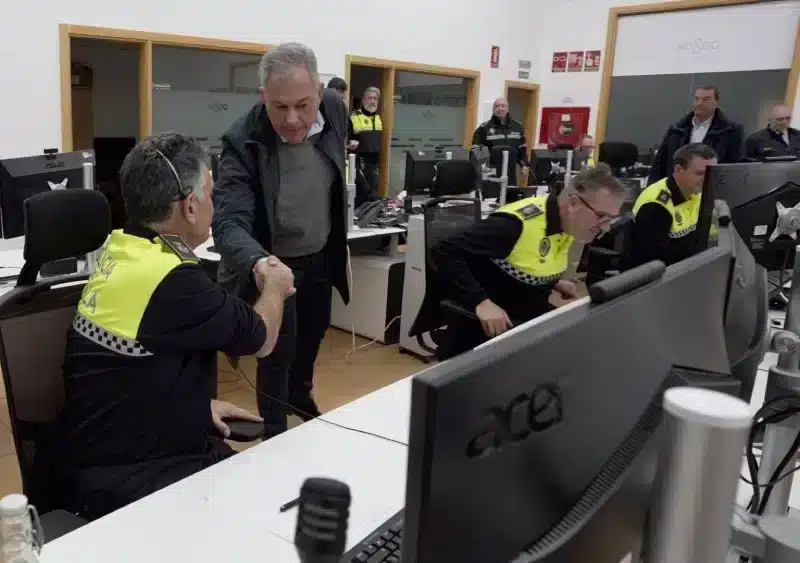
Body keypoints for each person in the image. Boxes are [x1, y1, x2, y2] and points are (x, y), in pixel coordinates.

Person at [48, 133, 295, 520]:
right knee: (272, 506)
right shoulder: (171, 281)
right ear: (190, 206)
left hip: (107, 450)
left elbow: (126, 370)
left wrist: (193, 406)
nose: (214, 203)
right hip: (133, 476)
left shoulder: (124, 250)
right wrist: (276, 285)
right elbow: (261, 339)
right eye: (210, 194)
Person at [212, 43, 350, 437]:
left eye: (303, 106)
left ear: (320, 94)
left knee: (313, 336)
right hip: (274, 264)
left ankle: (301, 399)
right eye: (279, 107)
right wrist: (261, 265)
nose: (292, 119)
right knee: (276, 356)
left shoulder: (336, 110)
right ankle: (275, 433)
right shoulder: (242, 139)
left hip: (320, 255)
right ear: (263, 97)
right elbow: (228, 223)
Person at [428, 164, 626, 357]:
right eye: (602, 216)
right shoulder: (513, 225)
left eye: (611, 219)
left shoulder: (565, 223)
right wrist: (480, 302)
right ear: (573, 203)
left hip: (526, 320)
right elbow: (443, 250)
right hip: (489, 334)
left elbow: (527, 258)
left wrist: (553, 281)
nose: (606, 227)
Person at [622, 143, 718, 270]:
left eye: (712, 173)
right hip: (654, 276)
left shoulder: (697, 192)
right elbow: (654, 263)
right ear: (678, 170)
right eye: (700, 173)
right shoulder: (656, 205)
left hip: (687, 269)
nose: (707, 179)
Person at [647, 86, 742, 185]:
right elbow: (659, 164)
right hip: (676, 188)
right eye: (696, 99)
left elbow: (734, 168)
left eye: (706, 99)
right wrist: (650, 188)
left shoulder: (730, 131)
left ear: (716, 102)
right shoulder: (676, 129)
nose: (699, 103)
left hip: (710, 188)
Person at [472, 97, 530, 184]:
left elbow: (522, 150)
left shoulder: (518, 127)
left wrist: (524, 166)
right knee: (492, 192)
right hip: (491, 171)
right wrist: (482, 167)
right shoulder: (484, 128)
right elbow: (477, 151)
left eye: (503, 106)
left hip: (511, 171)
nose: (500, 108)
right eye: (497, 106)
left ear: (507, 108)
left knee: (510, 192)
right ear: (493, 109)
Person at [348, 86, 383, 195]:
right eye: (369, 98)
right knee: (360, 194)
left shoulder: (380, 118)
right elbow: (346, 140)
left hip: (375, 163)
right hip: (358, 163)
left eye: (375, 98)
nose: (372, 101)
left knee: (373, 192)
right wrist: (350, 144)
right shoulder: (354, 117)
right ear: (363, 100)